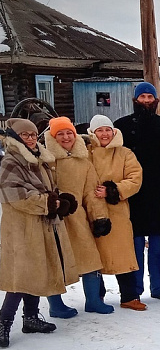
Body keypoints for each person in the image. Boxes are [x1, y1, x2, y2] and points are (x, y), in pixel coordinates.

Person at [0, 118, 79, 348]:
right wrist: (51, 203)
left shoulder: (39, 160)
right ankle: (4, 321)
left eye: (33, 135)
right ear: (15, 138)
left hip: (41, 224)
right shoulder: (11, 162)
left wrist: (61, 199)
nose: (31, 139)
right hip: (21, 228)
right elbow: (17, 197)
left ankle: (31, 318)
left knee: (37, 270)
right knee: (21, 275)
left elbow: (49, 189)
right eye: (25, 135)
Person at [44, 117, 114, 317]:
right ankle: (55, 305)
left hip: (78, 218)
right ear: (52, 136)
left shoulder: (83, 162)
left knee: (90, 258)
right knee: (55, 261)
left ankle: (93, 301)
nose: (65, 137)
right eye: (60, 133)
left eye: (69, 133)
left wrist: (99, 217)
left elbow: (91, 193)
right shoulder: (46, 160)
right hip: (53, 220)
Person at [114, 82, 160, 302]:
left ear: (156, 100)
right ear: (135, 100)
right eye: (143, 97)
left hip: (159, 192)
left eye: (150, 97)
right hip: (133, 193)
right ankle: (134, 288)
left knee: (158, 246)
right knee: (135, 245)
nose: (146, 101)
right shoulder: (121, 126)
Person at [88, 115, 145, 311]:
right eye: (99, 130)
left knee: (123, 254)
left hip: (118, 210)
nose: (104, 134)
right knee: (95, 256)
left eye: (107, 130)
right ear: (93, 133)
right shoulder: (86, 153)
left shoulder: (124, 153)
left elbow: (135, 179)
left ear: (113, 131)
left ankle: (129, 296)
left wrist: (112, 190)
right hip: (92, 210)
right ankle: (97, 296)